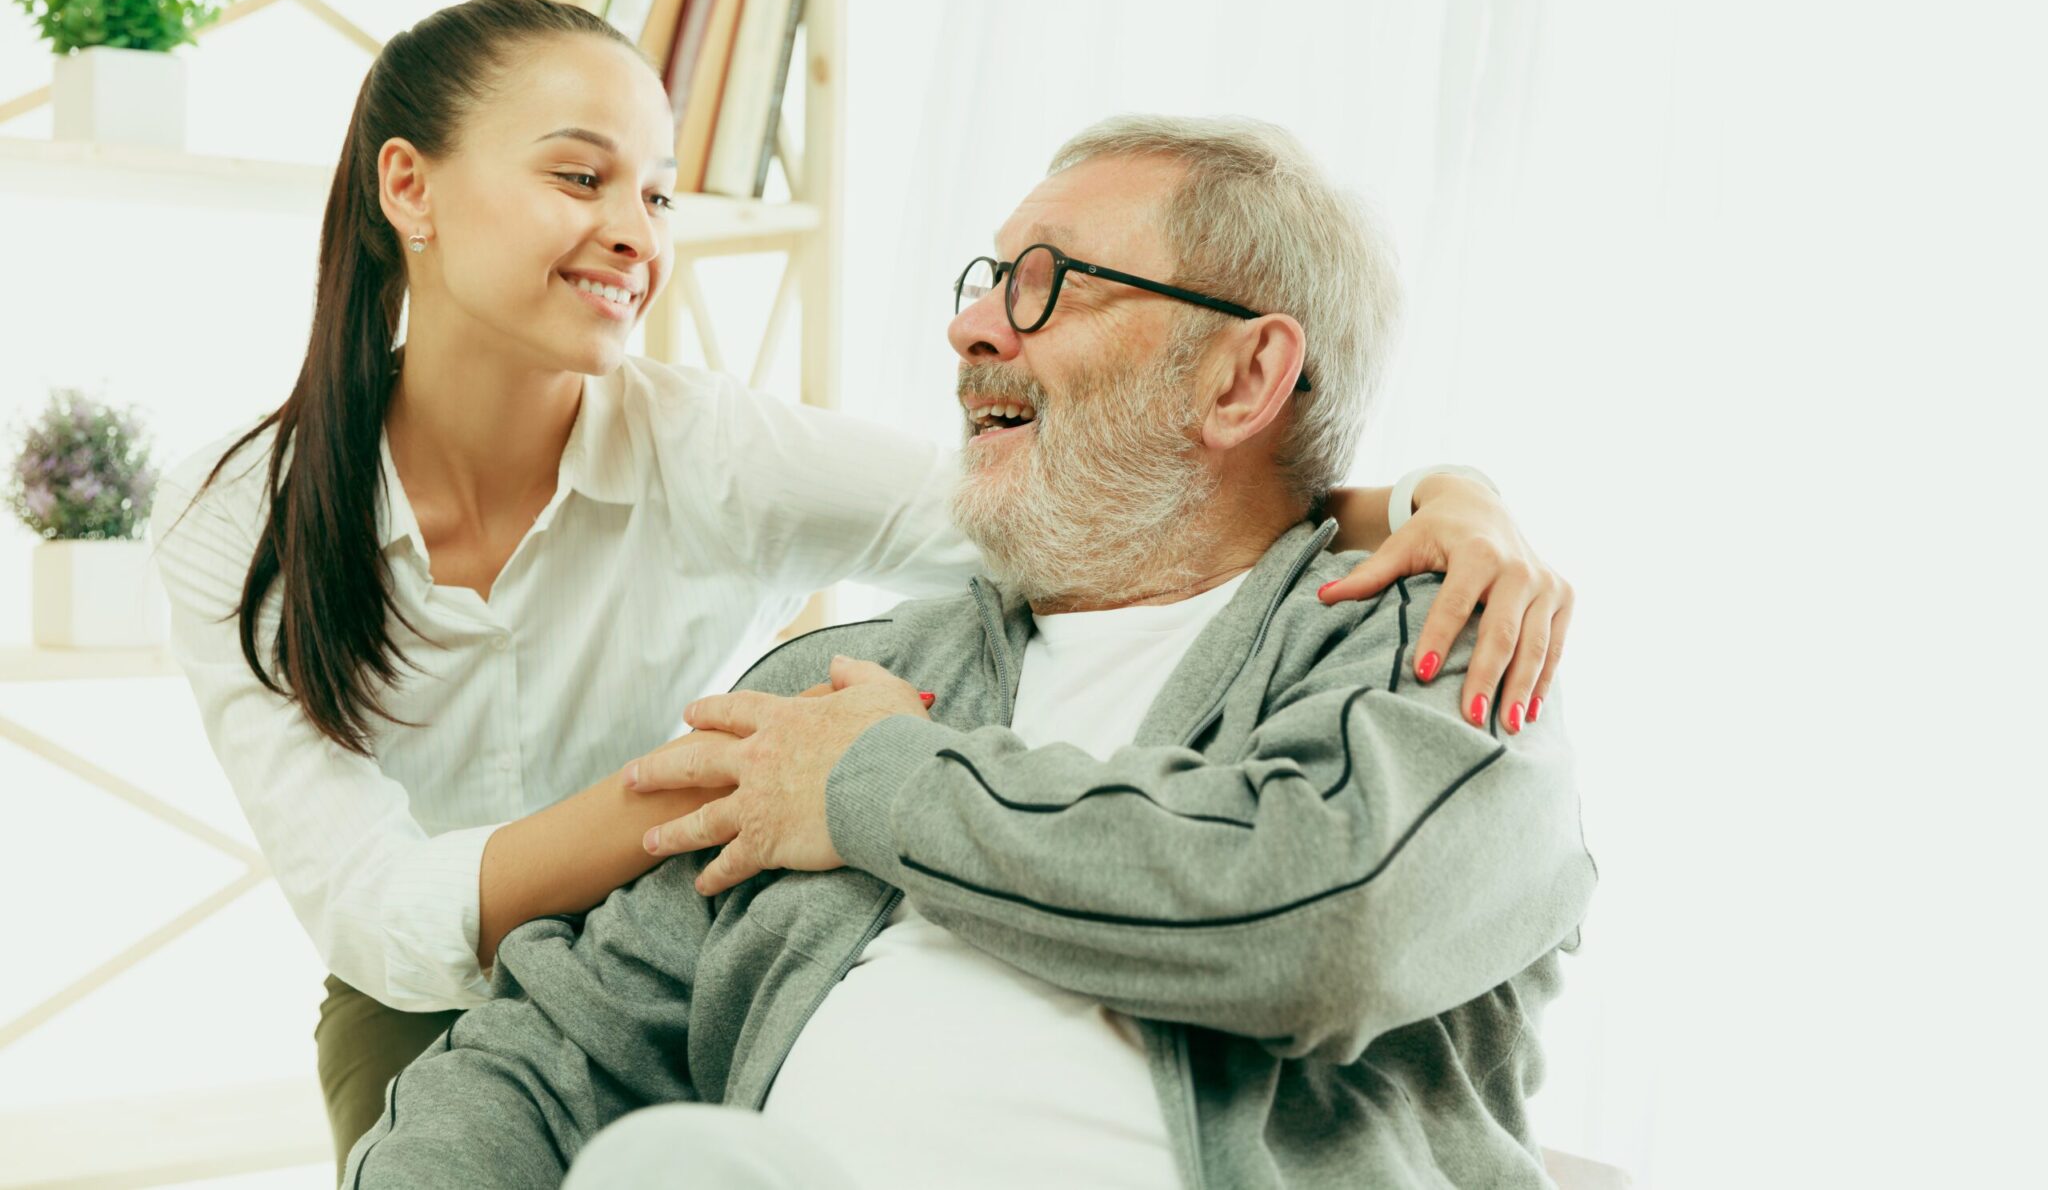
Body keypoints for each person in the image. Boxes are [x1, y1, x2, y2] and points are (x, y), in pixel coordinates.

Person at [338, 113, 1596, 1189]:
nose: (976, 329)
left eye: (1047, 283)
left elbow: (1330, 926)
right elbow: (563, 1046)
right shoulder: (827, 687)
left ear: (1241, 375)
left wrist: (876, 784)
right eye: (986, 279)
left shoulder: (1440, 641)